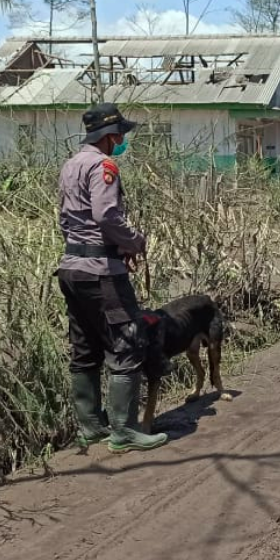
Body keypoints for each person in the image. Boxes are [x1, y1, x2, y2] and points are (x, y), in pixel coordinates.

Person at [57, 103, 168, 454]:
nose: (122, 140)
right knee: (127, 344)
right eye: (120, 134)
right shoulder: (104, 165)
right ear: (110, 136)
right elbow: (106, 214)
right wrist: (134, 242)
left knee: (85, 347)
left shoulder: (71, 164)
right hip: (102, 273)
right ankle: (124, 430)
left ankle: (91, 427)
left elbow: (65, 219)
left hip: (71, 269)